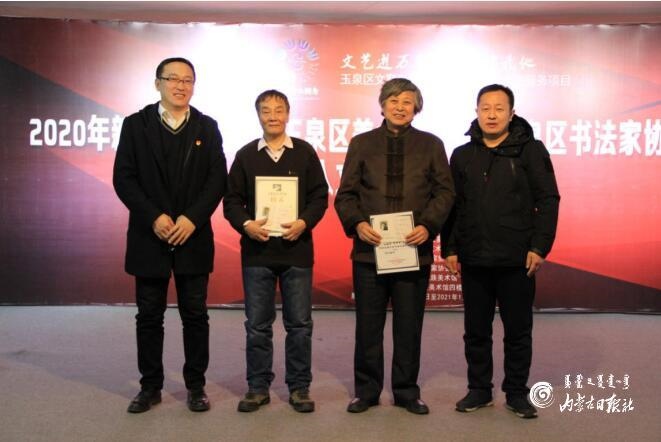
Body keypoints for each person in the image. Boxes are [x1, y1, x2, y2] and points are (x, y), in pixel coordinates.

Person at [113, 57, 227, 413]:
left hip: (193, 236)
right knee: (149, 315)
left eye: (187, 80)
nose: (181, 85)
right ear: (157, 83)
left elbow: (217, 179)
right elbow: (124, 178)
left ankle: (196, 386)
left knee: (195, 315)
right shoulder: (136, 125)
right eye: (173, 78)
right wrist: (154, 217)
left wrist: (193, 218)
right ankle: (150, 387)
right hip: (150, 237)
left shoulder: (207, 127)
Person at [334, 78, 455, 415]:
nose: (400, 107)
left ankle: (406, 391)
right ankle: (366, 391)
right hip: (368, 252)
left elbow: (445, 192)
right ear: (382, 104)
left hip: (413, 250)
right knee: (368, 326)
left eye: (407, 102)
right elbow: (346, 195)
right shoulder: (362, 143)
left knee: (408, 326)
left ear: (416, 108)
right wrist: (358, 224)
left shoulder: (431, 145)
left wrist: (427, 226)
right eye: (394, 100)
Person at [441, 84, 560, 419]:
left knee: (517, 330)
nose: (491, 115)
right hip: (474, 256)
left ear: (511, 113)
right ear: (476, 111)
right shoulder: (462, 154)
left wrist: (539, 246)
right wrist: (450, 247)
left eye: (499, 108)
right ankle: (479, 389)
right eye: (485, 108)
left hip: (517, 258)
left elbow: (548, 199)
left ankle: (517, 392)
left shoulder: (531, 150)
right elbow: (453, 205)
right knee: (476, 330)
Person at [223, 90, 328, 413]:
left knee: (300, 325)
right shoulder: (245, 155)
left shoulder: (305, 152)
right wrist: (246, 225)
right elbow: (231, 201)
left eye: (278, 110)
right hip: (257, 253)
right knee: (257, 325)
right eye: (266, 110)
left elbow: (319, 196)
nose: (273, 116)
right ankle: (257, 387)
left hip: (297, 251)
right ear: (258, 115)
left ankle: (299, 387)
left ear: (288, 114)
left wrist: (304, 222)